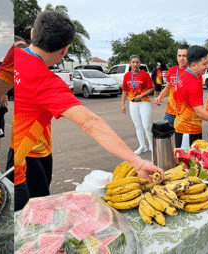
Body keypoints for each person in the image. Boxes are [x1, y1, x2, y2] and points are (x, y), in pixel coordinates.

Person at [11, 11, 163, 211]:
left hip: (31, 149)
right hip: (22, 161)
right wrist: (138, 163)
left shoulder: (11, 58)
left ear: (32, 34)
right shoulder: (46, 82)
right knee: (33, 214)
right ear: (64, 51)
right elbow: (90, 123)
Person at [173, 46, 208, 147]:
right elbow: (199, 111)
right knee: (189, 156)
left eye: (207, 63)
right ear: (193, 65)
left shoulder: (184, 75)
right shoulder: (193, 83)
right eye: (204, 64)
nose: (207, 66)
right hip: (189, 130)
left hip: (181, 126)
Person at [120, 55, 154, 154]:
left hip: (144, 103)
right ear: (130, 64)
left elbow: (152, 88)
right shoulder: (127, 76)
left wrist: (141, 95)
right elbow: (125, 90)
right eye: (133, 62)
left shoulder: (145, 74)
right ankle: (142, 146)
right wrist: (123, 104)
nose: (135, 64)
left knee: (146, 126)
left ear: (140, 64)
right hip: (133, 104)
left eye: (137, 62)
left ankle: (152, 146)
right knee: (138, 126)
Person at [153, 44, 188, 127]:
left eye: (184, 56)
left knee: (182, 135)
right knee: (167, 132)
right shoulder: (172, 70)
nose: (181, 58)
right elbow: (168, 87)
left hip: (186, 113)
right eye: (179, 55)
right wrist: (159, 97)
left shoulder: (194, 72)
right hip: (170, 111)